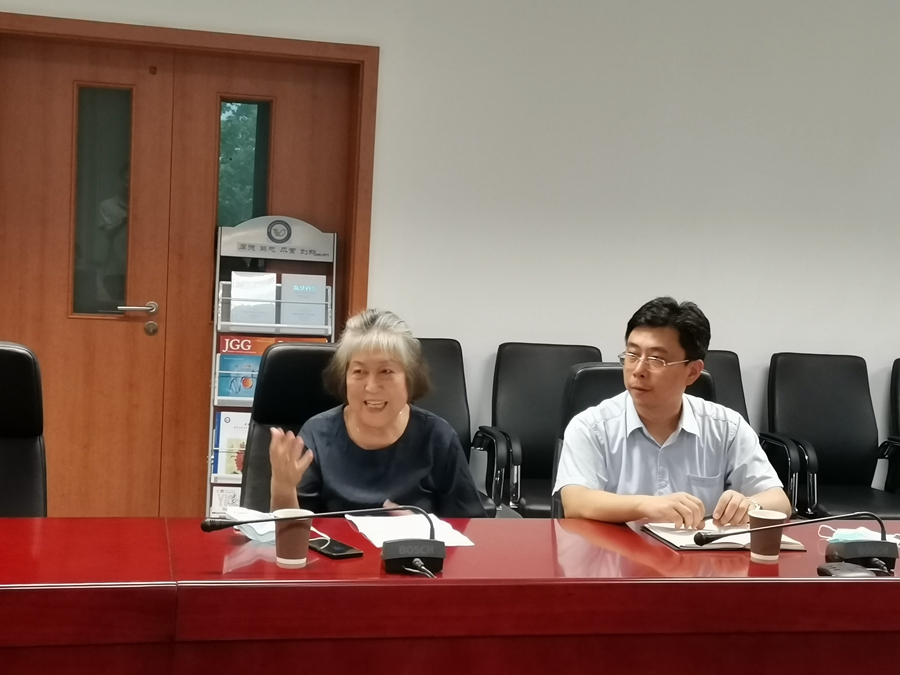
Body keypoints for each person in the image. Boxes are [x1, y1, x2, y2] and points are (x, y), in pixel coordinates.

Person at [555, 297, 791, 528]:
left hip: (700, 553)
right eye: (632, 355)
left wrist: (750, 505)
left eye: (656, 359)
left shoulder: (727, 427)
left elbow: (779, 502)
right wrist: (648, 506)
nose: (638, 370)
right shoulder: (591, 426)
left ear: (692, 372)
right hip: (615, 553)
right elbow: (576, 502)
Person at [269, 309, 486, 518]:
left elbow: (471, 529)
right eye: (359, 371)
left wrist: (425, 529)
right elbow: (292, 532)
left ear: (410, 379)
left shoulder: (438, 438)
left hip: (414, 545)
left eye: (386, 371)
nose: (371, 387)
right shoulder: (317, 434)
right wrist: (283, 488)